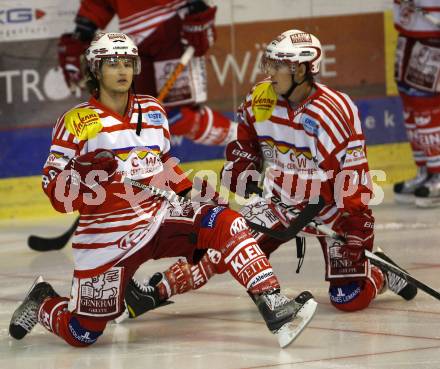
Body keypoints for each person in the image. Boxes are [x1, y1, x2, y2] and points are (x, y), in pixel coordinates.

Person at [9, 32, 317, 348]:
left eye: (128, 62)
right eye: (113, 62)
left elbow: (164, 165)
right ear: (96, 69)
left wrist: (190, 192)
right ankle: (43, 300)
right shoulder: (75, 122)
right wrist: (81, 175)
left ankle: (273, 301)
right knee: (82, 332)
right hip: (108, 235)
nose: (122, 69)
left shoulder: (153, 110)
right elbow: (55, 190)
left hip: (158, 217)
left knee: (225, 222)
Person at [120, 29, 419, 321]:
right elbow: (245, 141)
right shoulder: (260, 98)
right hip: (278, 201)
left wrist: (356, 225)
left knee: (348, 299)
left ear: (301, 69)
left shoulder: (333, 111)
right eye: (270, 64)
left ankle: (381, 273)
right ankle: (154, 292)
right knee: (223, 248)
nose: (270, 72)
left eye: (278, 66)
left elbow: (352, 174)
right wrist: (243, 164)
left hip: (330, 210)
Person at [58, 0, 236, 146]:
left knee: (177, 116)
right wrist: (84, 29)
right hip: (136, 43)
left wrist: (199, 5)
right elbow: (99, 4)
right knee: (144, 116)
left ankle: (242, 139)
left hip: (173, 28)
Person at [392, 0, 440, 207]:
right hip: (409, 28)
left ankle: (438, 173)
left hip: (433, 31)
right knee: (409, 100)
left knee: (425, 103)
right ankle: (424, 170)